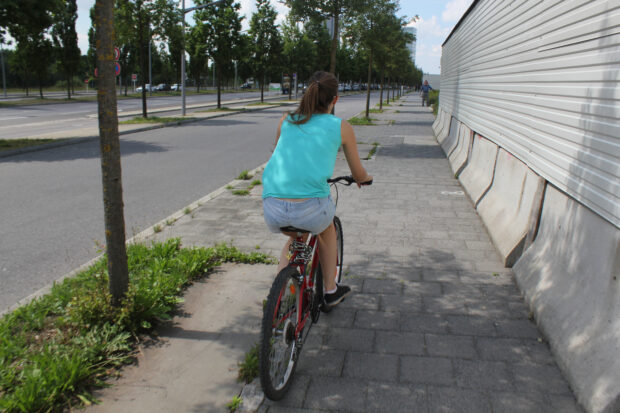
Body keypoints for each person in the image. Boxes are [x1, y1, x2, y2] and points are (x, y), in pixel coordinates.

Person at [262, 71, 372, 308]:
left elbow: (279, 153)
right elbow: (358, 172)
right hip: (310, 209)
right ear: (335, 100)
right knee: (327, 228)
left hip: (272, 206)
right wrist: (364, 178)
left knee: (296, 238)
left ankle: (277, 298)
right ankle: (330, 291)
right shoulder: (341, 126)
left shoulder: (286, 120)